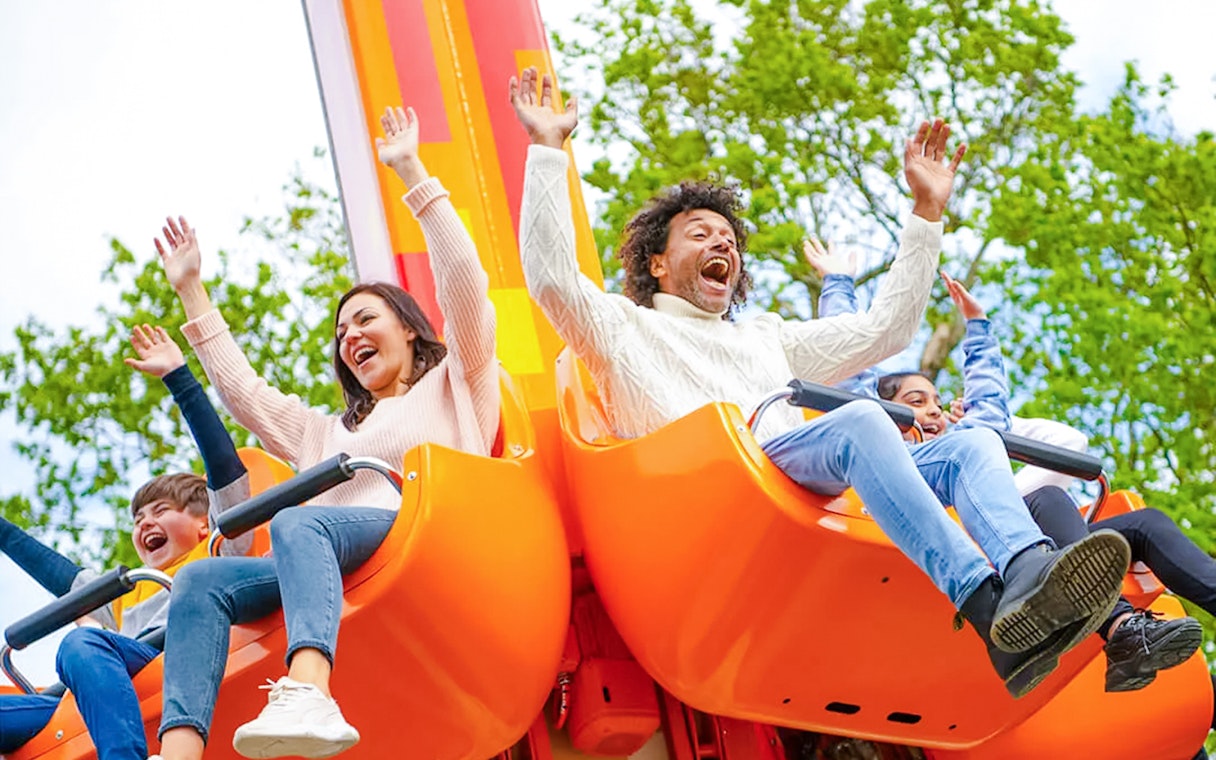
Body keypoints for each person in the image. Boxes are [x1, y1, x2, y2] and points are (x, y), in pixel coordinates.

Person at [509, 65, 1130, 698]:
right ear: (658, 262)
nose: (720, 242)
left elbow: (886, 331)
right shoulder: (620, 326)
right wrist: (548, 149)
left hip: (788, 479)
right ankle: (981, 597)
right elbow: (553, 278)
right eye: (700, 234)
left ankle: (1026, 574)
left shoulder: (766, 338)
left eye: (728, 238)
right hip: (701, 497)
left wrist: (926, 212)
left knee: (972, 444)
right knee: (862, 420)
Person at [150, 105, 498, 760]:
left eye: (365, 319)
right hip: (330, 557)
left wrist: (412, 172)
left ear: (409, 328)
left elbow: (465, 285)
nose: (351, 337)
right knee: (199, 582)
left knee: (296, 522)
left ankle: (310, 686)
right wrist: (193, 290)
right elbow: (243, 393)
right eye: (342, 334)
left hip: (428, 534)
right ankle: (179, 751)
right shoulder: (325, 433)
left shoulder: (456, 382)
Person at [809, 246, 1204, 694]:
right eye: (915, 403)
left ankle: (1125, 630)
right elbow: (850, 368)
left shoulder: (967, 446)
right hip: (951, 539)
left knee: (1143, 524)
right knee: (1049, 498)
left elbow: (990, 410)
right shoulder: (886, 456)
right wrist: (838, 284)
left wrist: (978, 327)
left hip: (1020, 542)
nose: (933, 411)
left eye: (938, 402)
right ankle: (1121, 630)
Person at [0, 324, 249, 760]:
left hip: (183, 659)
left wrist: (180, 379)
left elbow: (225, 468)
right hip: (113, 687)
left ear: (204, 523)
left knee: (80, 643)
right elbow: (59, 573)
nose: (144, 524)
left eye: (159, 512)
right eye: (137, 519)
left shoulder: (219, 553)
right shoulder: (126, 596)